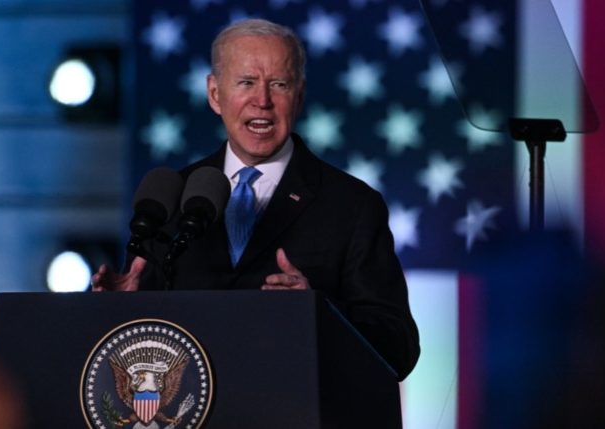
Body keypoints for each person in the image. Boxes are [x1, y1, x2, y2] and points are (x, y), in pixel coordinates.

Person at [93, 18, 420, 380]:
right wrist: (118, 311)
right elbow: (139, 348)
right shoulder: (171, 197)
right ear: (215, 94)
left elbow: (398, 348)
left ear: (299, 96)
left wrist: (317, 314)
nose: (262, 101)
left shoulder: (353, 206)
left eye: (278, 84)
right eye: (246, 83)